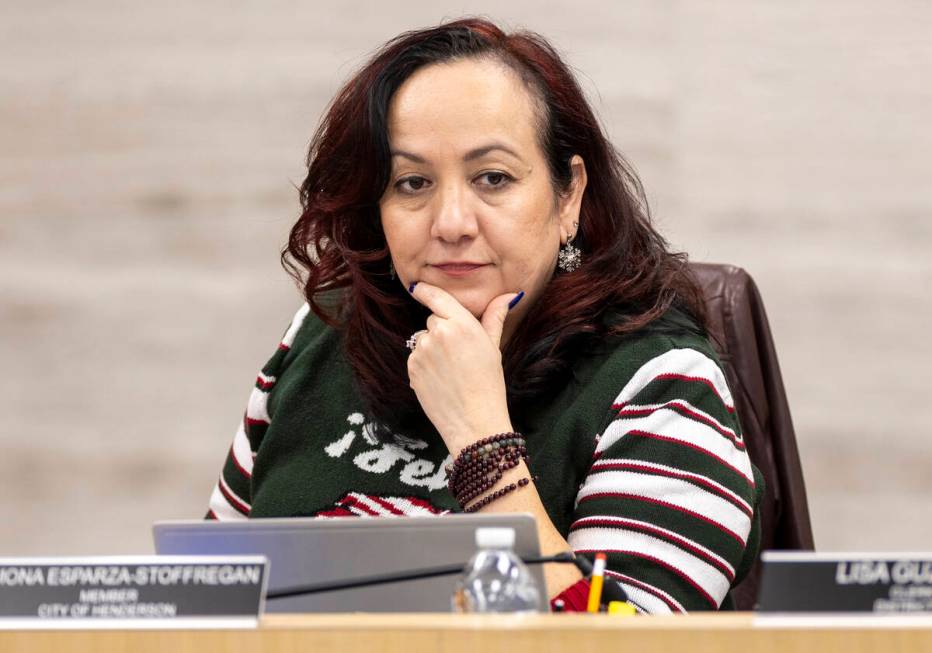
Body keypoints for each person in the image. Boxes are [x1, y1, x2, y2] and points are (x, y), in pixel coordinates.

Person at [206, 18, 762, 614]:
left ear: (568, 194)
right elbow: (207, 601)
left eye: (492, 178)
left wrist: (481, 446)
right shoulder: (325, 333)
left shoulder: (664, 386)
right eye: (412, 182)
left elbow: (620, 646)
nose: (451, 223)